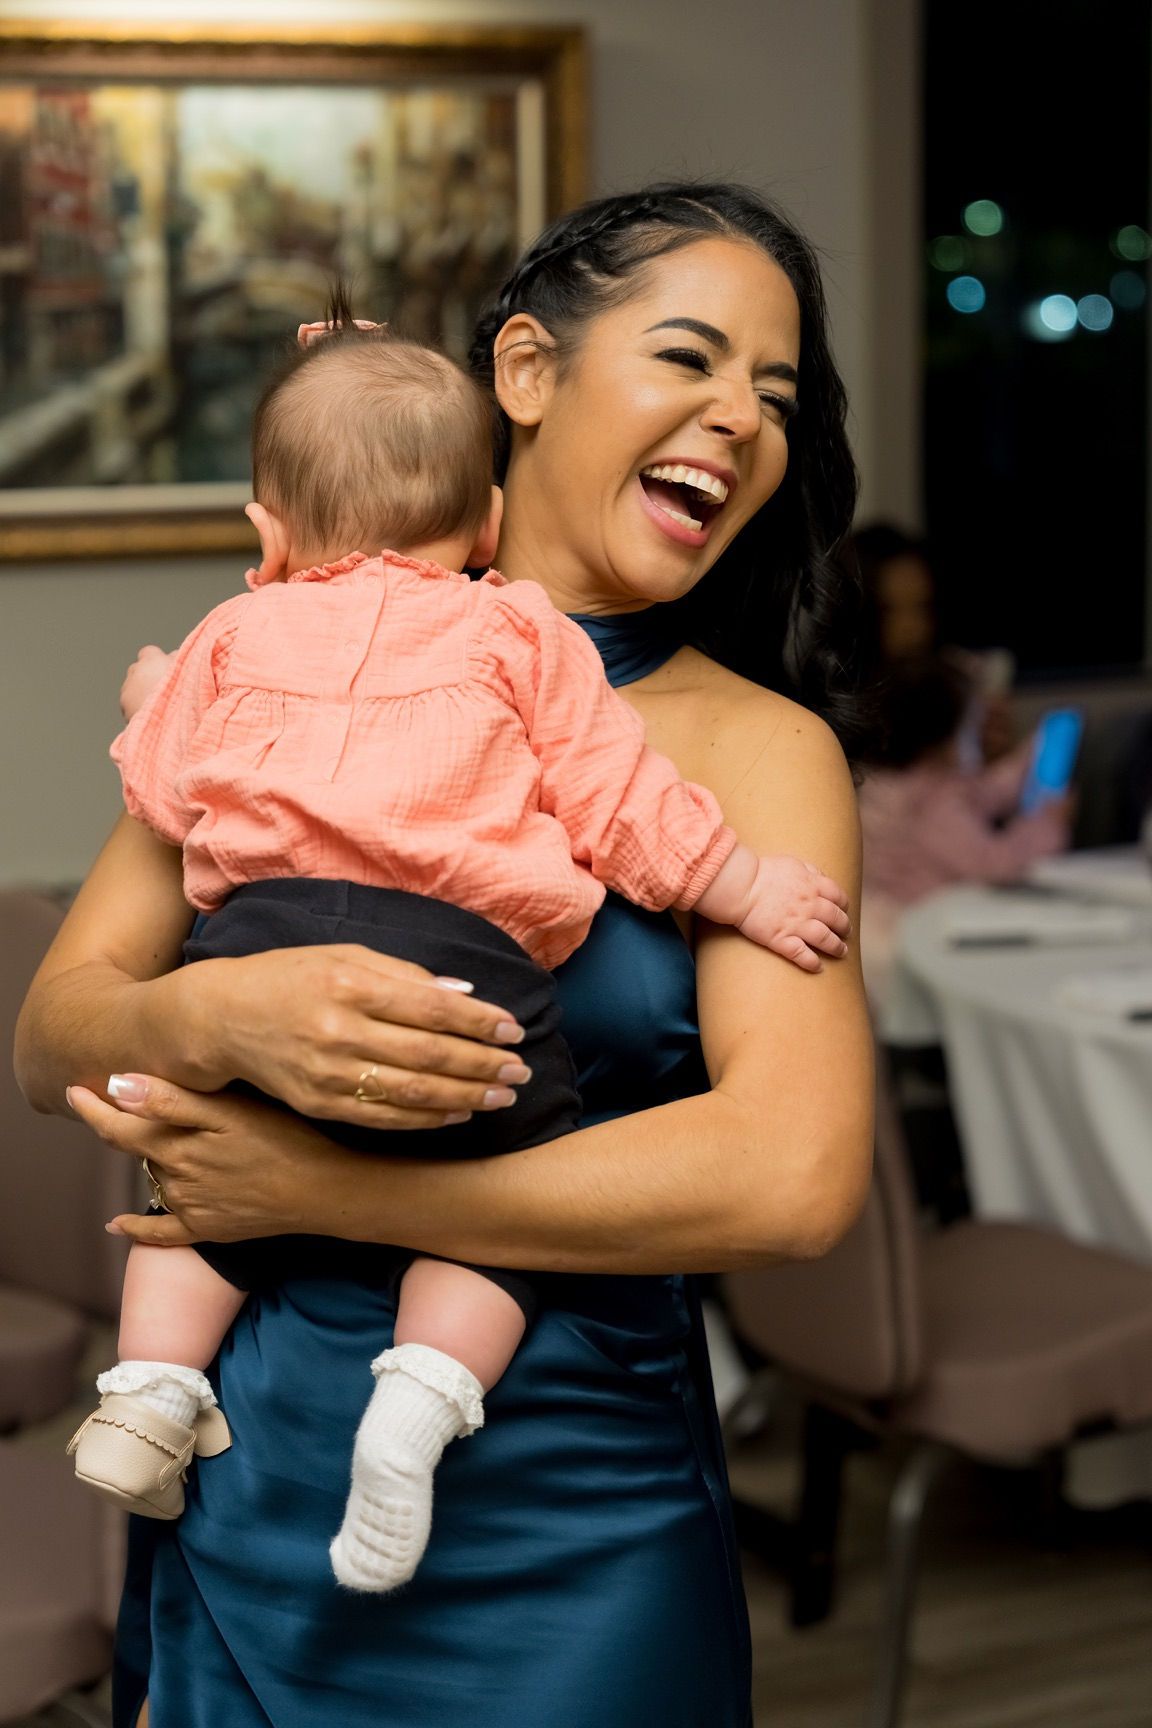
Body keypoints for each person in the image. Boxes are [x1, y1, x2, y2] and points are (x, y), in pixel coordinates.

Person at [16, 182, 875, 1728]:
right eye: (690, 359)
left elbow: (793, 1177)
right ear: (530, 374)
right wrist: (223, 1009)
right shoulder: (283, 668)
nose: (740, 420)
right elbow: (55, 1034)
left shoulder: (758, 751)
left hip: (570, 1526)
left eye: (775, 395)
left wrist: (334, 1191)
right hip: (252, 1475)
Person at [858, 654, 1072, 1005]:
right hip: (925, 939)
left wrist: (1030, 758)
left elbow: (982, 793)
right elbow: (996, 863)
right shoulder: (931, 803)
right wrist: (1050, 822)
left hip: (890, 929)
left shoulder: (884, 785)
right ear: (944, 737)